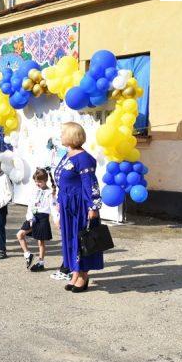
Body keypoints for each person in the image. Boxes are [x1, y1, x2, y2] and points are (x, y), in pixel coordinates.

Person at [53, 122, 103, 293]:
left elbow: (90, 184)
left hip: (80, 206)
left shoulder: (83, 158)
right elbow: (61, 182)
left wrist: (93, 207)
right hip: (67, 204)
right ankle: (75, 272)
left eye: (63, 132)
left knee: (82, 240)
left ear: (71, 135)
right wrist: (59, 204)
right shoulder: (68, 155)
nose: (60, 135)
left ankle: (83, 275)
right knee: (70, 239)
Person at [18, 169, 55, 272]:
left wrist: (57, 219)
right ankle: (27, 254)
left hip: (42, 217)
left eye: (40, 181)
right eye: (36, 181)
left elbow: (53, 206)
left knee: (40, 242)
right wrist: (29, 217)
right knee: (20, 235)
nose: (37, 184)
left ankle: (41, 262)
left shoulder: (49, 192)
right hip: (32, 216)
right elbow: (31, 204)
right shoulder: (34, 190)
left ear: (45, 180)